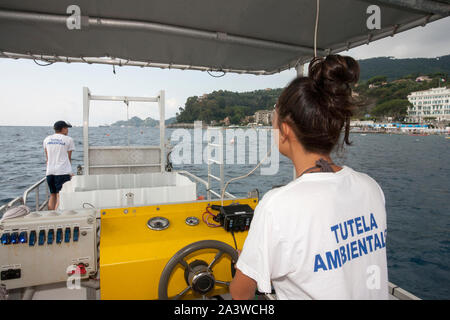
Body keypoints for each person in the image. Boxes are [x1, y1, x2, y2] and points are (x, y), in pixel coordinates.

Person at [230, 55, 388, 300]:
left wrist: (248, 262)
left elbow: (241, 295)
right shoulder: (370, 187)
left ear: (285, 131)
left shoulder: (276, 206)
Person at [43, 121, 75, 210]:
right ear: (63, 128)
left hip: (50, 172)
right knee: (60, 196)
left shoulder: (47, 139)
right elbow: (69, 158)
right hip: (62, 172)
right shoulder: (68, 139)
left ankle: (50, 216)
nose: (67, 130)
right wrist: (70, 172)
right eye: (67, 128)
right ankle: (56, 218)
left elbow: (47, 158)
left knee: (52, 195)